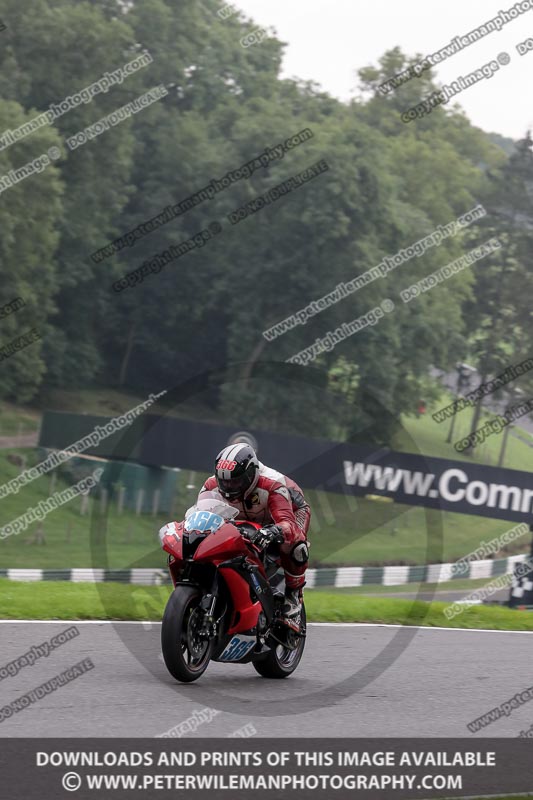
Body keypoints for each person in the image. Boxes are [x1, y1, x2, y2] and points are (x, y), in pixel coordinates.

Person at [198, 443, 311, 627]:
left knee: (294, 544)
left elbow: (287, 524)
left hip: (287, 514)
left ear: (251, 474)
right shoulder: (211, 485)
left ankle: (293, 596)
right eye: (224, 481)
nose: (228, 486)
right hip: (245, 517)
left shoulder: (272, 484)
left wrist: (274, 530)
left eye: (235, 481)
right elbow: (200, 515)